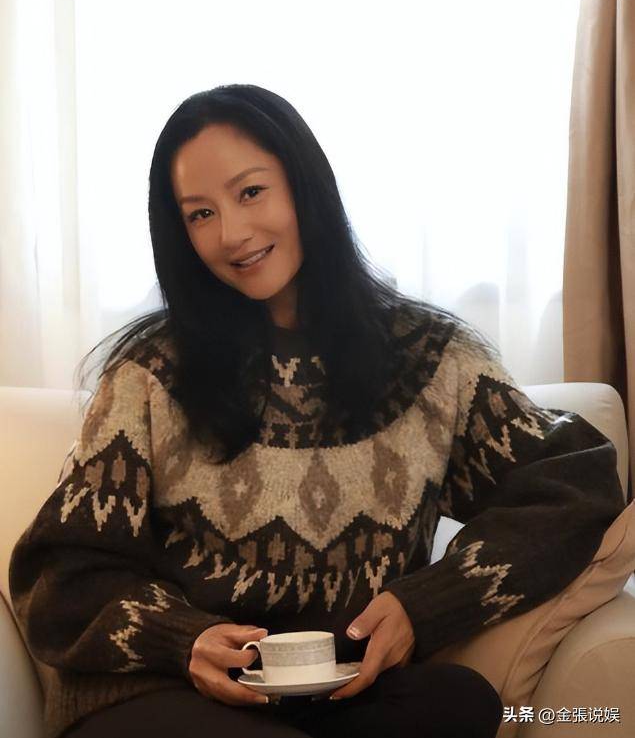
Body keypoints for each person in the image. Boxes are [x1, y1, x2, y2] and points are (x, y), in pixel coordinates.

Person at [9, 84, 625, 738]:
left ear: (306, 185)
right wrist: (182, 639)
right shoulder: (147, 375)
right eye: (200, 214)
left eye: (251, 192)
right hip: (167, 693)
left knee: (459, 700)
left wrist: (427, 604)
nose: (232, 233)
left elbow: (575, 482)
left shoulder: (431, 360)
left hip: (338, 695)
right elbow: (58, 576)